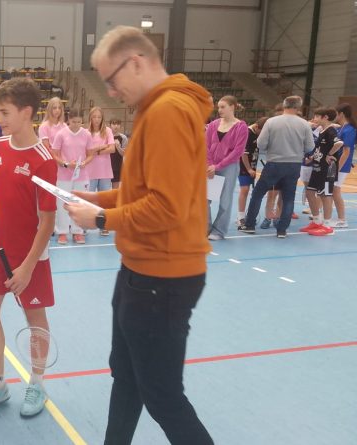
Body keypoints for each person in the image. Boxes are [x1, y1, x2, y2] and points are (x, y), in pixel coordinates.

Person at [66, 26, 214, 444]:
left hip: (161, 279)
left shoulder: (167, 111)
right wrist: (99, 199)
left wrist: (101, 219)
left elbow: (166, 207)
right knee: (128, 378)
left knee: (162, 397)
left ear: (136, 62)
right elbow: (143, 190)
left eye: (111, 80)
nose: (111, 92)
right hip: (142, 272)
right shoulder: (156, 109)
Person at [0, 77, 57, 418]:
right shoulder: (0, 147)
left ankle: (38, 383)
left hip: (30, 255)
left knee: (35, 319)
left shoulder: (44, 160)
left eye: (4, 112)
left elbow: (47, 221)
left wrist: (28, 267)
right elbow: (4, 187)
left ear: (26, 112)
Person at [238, 96, 315, 237]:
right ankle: (282, 230)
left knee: (258, 194)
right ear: (298, 107)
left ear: (284, 105)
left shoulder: (271, 122)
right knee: (288, 198)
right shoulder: (304, 124)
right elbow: (310, 147)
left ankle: (249, 225)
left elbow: (261, 144)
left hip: (274, 163)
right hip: (294, 165)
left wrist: (273, 146)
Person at [205, 96, 248, 240]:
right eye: (218, 107)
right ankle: (205, 228)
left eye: (223, 107)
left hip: (229, 167)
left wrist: (218, 166)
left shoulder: (241, 127)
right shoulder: (213, 125)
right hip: (211, 166)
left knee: (225, 200)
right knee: (205, 198)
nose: (219, 110)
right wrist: (210, 164)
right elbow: (206, 146)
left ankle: (219, 231)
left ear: (232, 107)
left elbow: (238, 151)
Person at [51, 110, 94, 244]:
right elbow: (54, 154)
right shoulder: (61, 134)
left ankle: (78, 232)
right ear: (68, 120)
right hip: (64, 175)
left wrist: (84, 163)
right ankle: (62, 232)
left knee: (79, 204)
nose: (76, 124)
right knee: (62, 204)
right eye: (74, 122)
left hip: (82, 176)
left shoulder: (87, 134)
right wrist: (66, 164)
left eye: (79, 122)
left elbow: (91, 154)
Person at [299, 107, 343, 236]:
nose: (314, 119)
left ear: (325, 117)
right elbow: (319, 148)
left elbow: (339, 143)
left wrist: (329, 154)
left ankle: (327, 226)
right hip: (317, 168)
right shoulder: (322, 131)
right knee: (310, 192)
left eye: (317, 116)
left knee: (325, 195)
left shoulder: (330, 131)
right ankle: (317, 221)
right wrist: (312, 157)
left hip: (327, 169)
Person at [86, 106, 115, 236]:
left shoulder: (107, 131)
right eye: (94, 117)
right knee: (88, 200)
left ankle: (105, 225)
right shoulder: (86, 132)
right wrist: (102, 147)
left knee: (105, 200)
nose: (97, 119)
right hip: (90, 171)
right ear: (90, 118)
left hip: (104, 171)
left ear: (102, 118)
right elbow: (87, 151)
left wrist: (96, 150)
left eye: (99, 117)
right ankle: (85, 225)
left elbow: (112, 149)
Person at [236, 117, 268, 226]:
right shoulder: (247, 133)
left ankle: (244, 215)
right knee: (244, 189)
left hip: (252, 164)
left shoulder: (258, 133)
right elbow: (243, 154)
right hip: (243, 165)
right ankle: (240, 217)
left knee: (248, 189)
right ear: (257, 127)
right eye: (262, 132)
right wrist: (249, 169)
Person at [332, 103, 355, 227]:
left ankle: (342, 220)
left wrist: (337, 168)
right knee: (333, 190)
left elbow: (346, 152)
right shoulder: (341, 128)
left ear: (341, 114)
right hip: (336, 163)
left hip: (342, 165)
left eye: (336, 113)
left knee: (335, 190)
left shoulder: (349, 129)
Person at [109, 118, 128, 189]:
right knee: (105, 189)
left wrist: (118, 147)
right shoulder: (106, 136)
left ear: (120, 126)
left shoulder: (123, 138)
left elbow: (124, 154)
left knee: (115, 189)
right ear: (110, 125)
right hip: (106, 166)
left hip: (117, 166)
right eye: (114, 124)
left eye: (118, 124)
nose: (116, 126)